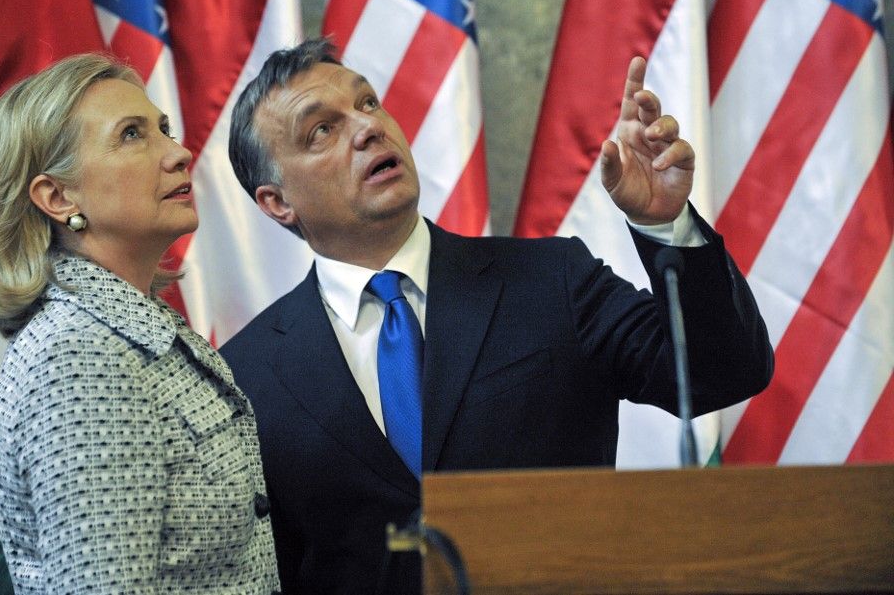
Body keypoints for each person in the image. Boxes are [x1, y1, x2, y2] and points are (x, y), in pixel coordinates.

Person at [220, 38, 774, 594]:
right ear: (276, 202)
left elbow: (723, 371)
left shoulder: (551, 280)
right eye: (322, 130)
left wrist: (664, 226)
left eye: (367, 104)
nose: (367, 128)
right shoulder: (243, 376)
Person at [0, 53, 280, 594]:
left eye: (163, 129)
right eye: (132, 135)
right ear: (58, 198)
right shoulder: (79, 359)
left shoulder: (124, 329)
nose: (178, 153)